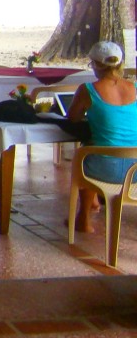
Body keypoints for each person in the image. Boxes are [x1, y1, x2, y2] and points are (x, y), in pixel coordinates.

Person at [67, 40, 137, 233]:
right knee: (93, 146)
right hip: (135, 170)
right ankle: (94, 203)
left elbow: (72, 118)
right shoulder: (135, 87)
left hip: (107, 168)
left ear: (95, 65)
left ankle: (84, 217)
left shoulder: (88, 89)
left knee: (85, 152)